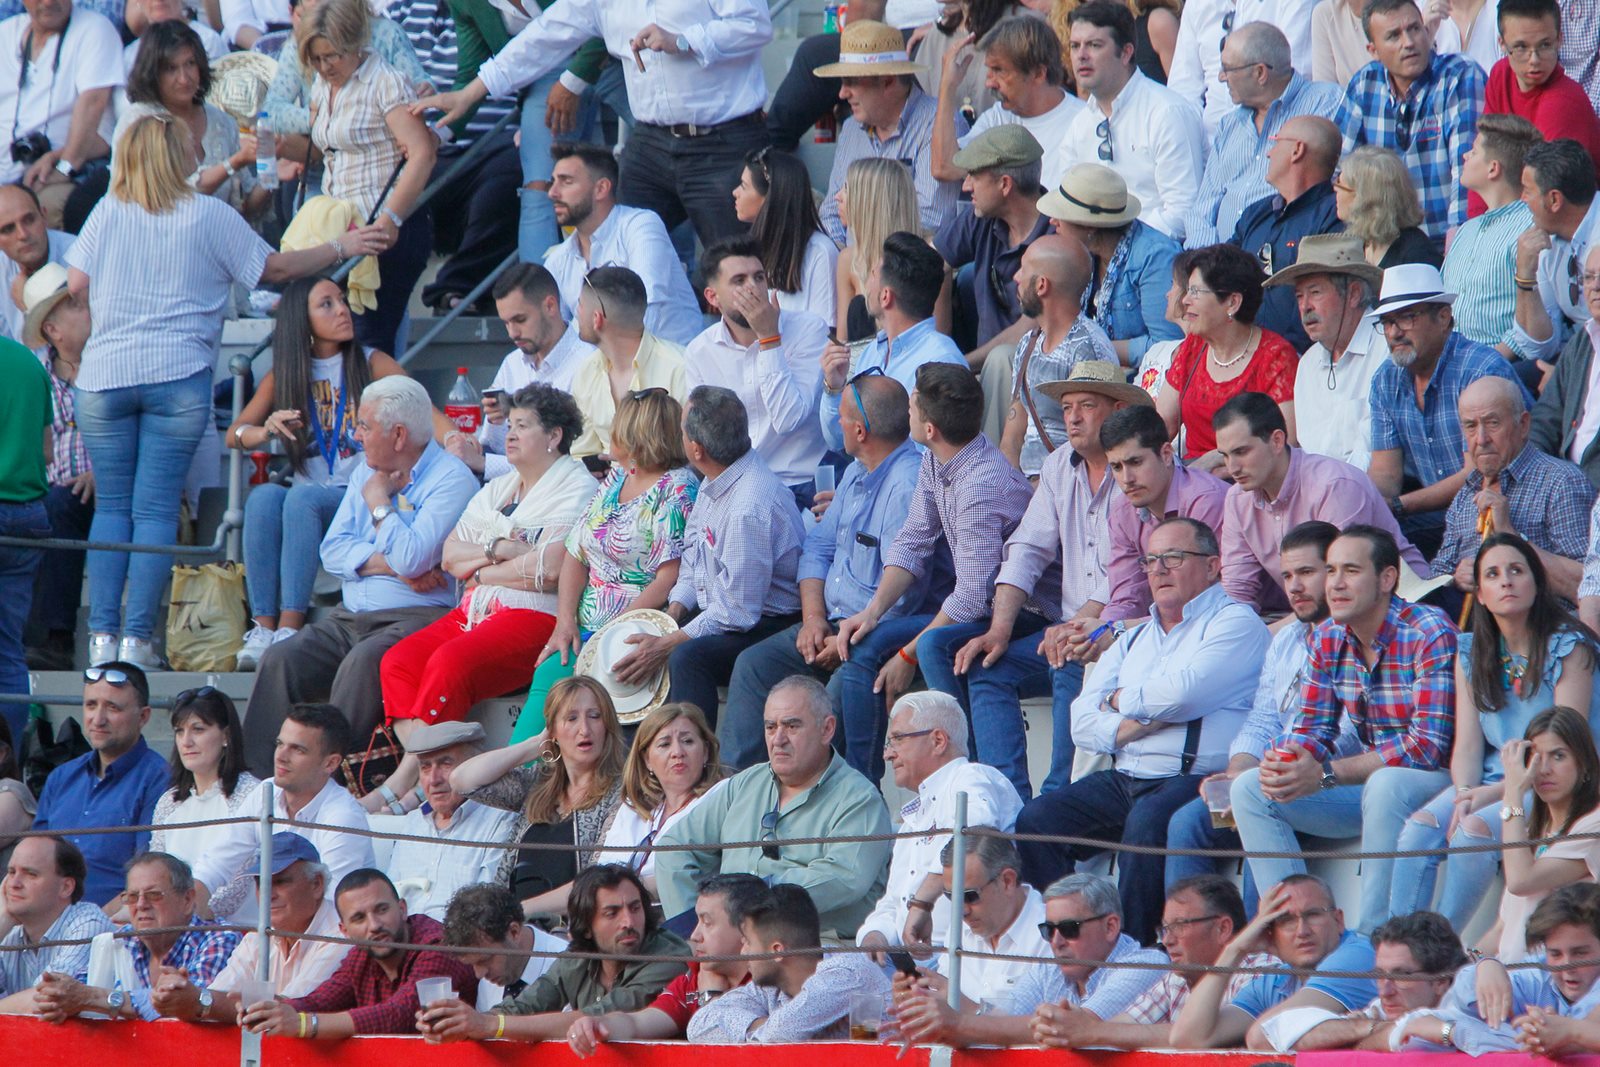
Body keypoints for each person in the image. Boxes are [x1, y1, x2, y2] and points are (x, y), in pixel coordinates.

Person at [68, 113, 381, 671]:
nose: (198, 148)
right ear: (172, 156)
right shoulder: (207, 214)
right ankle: (137, 644)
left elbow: (75, 284)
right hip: (176, 372)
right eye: (190, 144)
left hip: (103, 375)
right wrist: (343, 245)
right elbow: (277, 269)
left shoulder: (107, 212)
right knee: (156, 509)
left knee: (114, 508)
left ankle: (100, 642)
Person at [1014, 517, 1269, 943]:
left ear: (1212, 566)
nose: (1159, 570)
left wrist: (1118, 700)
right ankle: (1078, 937)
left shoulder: (1236, 623)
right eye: (1151, 560)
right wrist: (1131, 727)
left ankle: (1137, 950)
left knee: (1146, 824)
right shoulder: (1134, 638)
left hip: (1196, 778)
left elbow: (1185, 694)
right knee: (1036, 820)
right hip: (1127, 775)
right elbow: (1082, 721)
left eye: (1174, 557)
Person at [243, 376, 479, 770]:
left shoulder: (452, 480)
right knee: (280, 658)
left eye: (365, 426)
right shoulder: (365, 471)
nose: (356, 435)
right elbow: (332, 551)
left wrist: (377, 502)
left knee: (362, 663)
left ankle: (323, 783)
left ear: (399, 435)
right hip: (348, 617)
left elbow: (412, 558)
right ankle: (254, 781)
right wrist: (395, 566)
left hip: (417, 618)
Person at [1231, 526, 1457, 935]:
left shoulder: (1428, 630)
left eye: (1350, 570)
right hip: (1369, 790)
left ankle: (1377, 941)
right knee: (1249, 788)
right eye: (1331, 569)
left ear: (1387, 579)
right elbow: (1311, 728)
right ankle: (1294, 934)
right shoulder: (1330, 636)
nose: (1334, 583)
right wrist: (1286, 763)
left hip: (1441, 784)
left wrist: (1326, 774)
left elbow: (1427, 747)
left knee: (1387, 783)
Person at [373, 383, 593, 794]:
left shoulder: (577, 488)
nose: (508, 434)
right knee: (397, 663)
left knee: (449, 663)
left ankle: (409, 781)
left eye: (522, 426)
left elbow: (550, 569)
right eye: (508, 425)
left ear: (555, 436)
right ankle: (436, 764)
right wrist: (501, 550)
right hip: (476, 612)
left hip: (534, 615)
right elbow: (450, 557)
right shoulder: (498, 488)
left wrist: (482, 571)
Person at [413, 0, 771, 251]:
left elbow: (754, 26)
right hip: (651, 145)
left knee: (738, 269)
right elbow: (544, 36)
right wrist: (471, 93)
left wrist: (684, 40)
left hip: (724, 141)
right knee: (618, 265)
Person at [943, 361, 1141, 797]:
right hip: (1069, 631)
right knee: (988, 664)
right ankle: (1006, 800)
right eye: (1067, 406)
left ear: (1118, 408)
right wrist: (999, 630)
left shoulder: (1134, 468)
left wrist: (1075, 626)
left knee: (1068, 654)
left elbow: (1130, 574)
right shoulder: (1057, 467)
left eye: (1087, 405)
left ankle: (1058, 800)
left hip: (1123, 633)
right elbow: (1026, 550)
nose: (1072, 417)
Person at [721, 374, 933, 776]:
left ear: (860, 430)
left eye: (842, 417)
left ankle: (817, 807)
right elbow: (816, 549)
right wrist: (814, 618)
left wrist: (843, 638)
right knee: (752, 665)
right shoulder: (856, 471)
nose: (836, 424)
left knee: (831, 703)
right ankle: (738, 791)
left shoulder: (906, 484)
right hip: (831, 623)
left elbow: (904, 597)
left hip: (877, 634)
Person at [1412, 535, 1600, 933]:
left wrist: (1493, 795)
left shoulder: (1571, 647)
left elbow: (1562, 752)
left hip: (1554, 782)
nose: (1507, 581)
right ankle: (1397, 938)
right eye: (1493, 575)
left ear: (1537, 582)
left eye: (1517, 571)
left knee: (1473, 831)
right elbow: (1466, 745)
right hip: (1499, 781)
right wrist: (1465, 791)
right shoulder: (1471, 651)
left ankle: (1441, 947)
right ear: (1479, 594)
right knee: (1422, 826)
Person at [229, 276, 411, 669]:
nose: (342, 309)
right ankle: (263, 627)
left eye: (342, 301)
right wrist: (265, 429)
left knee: (301, 496)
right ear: (302, 319)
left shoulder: (372, 362)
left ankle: (290, 627)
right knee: (263, 497)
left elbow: (418, 408)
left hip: (359, 493)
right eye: (326, 304)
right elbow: (235, 434)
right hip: (311, 496)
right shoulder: (286, 373)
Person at [835, 362, 1038, 713]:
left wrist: (906, 654)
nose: (905, 411)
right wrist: (872, 611)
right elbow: (913, 542)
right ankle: (861, 769)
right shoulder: (936, 458)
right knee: (866, 639)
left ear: (929, 429)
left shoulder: (978, 486)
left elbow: (973, 598)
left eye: (911, 406)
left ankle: (962, 753)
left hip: (1028, 609)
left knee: (932, 647)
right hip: (984, 604)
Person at [1165, 521, 1344, 896]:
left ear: (1336, 573)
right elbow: (1262, 717)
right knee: (1186, 822)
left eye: (1306, 573)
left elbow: (1353, 738)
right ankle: (1196, 943)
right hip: (1274, 777)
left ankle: (1264, 948)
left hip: (1333, 780)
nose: (1293, 587)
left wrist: (1269, 774)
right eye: (1287, 575)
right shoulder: (1287, 639)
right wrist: (1238, 768)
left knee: (1256, 802)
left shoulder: (1353, 639)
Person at [609, 386, 805, 726]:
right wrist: (672, 613)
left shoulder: (747, 506)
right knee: (638, 648)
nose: (679, 436)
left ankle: (694, 759)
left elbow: (739, 612)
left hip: (768, 622)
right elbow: (693, 556)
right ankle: (641, 759)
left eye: (682, 431)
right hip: (726, 607)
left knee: (685, 656)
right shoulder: (718, 476)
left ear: (696, 450)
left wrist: (668, 641)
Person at [656, 676, 893, 940]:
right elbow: (674, 848)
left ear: (827, 729)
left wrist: (751, 900)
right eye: (770, 727)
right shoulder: (744, 783)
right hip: (732, 947)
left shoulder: (860, 799)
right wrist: (700, 933)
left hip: (814, 949)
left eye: (792, 726)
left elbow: (844, 879)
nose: (778, 739)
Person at [522, 389, 694, 743]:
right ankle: (522, 779)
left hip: (629, 632)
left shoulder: (677, 488)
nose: (608, 434)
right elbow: (576, 551)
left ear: (637, 435)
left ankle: (525, 779)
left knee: (557, 680)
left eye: (617, 426)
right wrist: (565, 621)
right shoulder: (618, 477)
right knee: (550, 670)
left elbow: (668, 579)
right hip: (585, 627)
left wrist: (606, 636)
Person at [299, 0, 437, 355]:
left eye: (332, 56)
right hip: (342, 225)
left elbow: (423, 152)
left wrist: (391, 219)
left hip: (384, 226)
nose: (325, 66)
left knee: (367, 341)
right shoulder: (321, 83)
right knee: (335, 342)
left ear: (355, 42)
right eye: (316, 58)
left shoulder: (385, 82)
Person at [1366, 263, 1532, 558]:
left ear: (1443, 317)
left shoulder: (1480, 369)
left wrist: (1400, 507)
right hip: (1438, 515)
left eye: (1406, 317)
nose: (1394, 332)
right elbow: (1384, 474)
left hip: (1501, 507)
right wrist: (1368, 507)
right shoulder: (1385, 380)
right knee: (1362, 541)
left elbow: (1476, 474)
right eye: (1387, 322)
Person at [420, 864, 687, 1042]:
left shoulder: (669, 957)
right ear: (586, 925)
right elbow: (527, 1006)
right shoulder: (582, 956)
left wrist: (488, 1025)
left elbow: (595, 1018)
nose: (628, 921)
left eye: (635, 907)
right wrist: (461, 1024)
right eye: (612, 913)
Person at [896, 872, 1166, 1047]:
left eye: (1070, 929)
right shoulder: (1051, 969)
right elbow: (1002, 1023)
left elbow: (1074, 1028)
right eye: (1048, 930)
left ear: (1110, 927)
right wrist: (930, 1009)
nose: (1056, 941)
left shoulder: (1144, 966)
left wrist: (954, 1022)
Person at [1214, 392, 1427, 613]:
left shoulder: (1334, 485)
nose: (1232, 468)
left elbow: (1341, 589)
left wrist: (1267, 637)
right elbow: (1237, 592)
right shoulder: (1237, 499)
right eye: (1226, 456)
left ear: (1277, 440)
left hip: (1399, 610)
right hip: (1316, 617)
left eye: (1241, 452)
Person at [857, 691, 1024, 959]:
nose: (887, 754)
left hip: (959, 960)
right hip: (903, 963)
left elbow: (972, 837)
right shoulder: (914, 815)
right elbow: (893, 902)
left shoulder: (970, 776)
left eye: (898, 739)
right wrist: (874, 936)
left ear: (938, 740)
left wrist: (922, 902)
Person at [382, 0, 520, 315]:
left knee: (515, 166)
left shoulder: (507, 11)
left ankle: (457, 287)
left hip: (493, 151)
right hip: (418, 154)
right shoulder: (397, 13)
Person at [449, 676, 626, 917]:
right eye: (571, 718)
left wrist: (515, 912)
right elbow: (462, 780)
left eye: (594, 716)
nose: (584, 729)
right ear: (552, 730)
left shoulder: (621, 790)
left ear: (608, 725)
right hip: (516, 930)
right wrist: (535, 745)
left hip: (572, 930)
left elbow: (598, 882)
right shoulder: (538, 781)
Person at [1029, 876, 1272, 1048]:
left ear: (1222, 928)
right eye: (1164, 929)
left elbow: (1196, 1034)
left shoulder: (1259, 970)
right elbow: (1122, 1027)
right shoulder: (1174, 979)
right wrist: (1074, 1025)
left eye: (1178, 926)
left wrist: (1091, 1031)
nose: (1167, 940)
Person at [240, 869, 477, 1039]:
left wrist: (303, 1023)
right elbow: (322, 1001)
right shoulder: (361, 954)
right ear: (345, 931)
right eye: (359, 918)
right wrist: (277, 1008)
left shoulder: (437, 945)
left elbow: (401, 1015)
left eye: (382, 909)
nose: (374, 925)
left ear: (403, 909)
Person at [686, 235, 829, 508]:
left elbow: (789, 419)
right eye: (739, 281)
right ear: (712, 296)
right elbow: (702, 437)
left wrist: (768, 339)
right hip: (736, 489)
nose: (753, 288)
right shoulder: (699, 351)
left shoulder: (809, 328)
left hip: (802, 485)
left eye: (759, 277)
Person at [191, 704, 375, 911]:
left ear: (330, 763)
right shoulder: (265, 792)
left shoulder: (344, 816)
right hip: (269, 931)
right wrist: (185, 910)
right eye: (280, 744)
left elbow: (333, 907)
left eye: (298, 749)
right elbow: (216, 864)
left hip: (323, 936)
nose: (281, 756)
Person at [1185, 23, 1352, 249]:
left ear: (1260, 72)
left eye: (1228, 68)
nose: (1221, 77)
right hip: (1220, 266)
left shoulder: (1326, 102)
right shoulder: (1230, 124)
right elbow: (1203, 210)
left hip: (1288, 254)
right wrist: (1206, 267)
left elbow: (1339, 184)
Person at [151, 833, 349, 1018]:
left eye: (280, 882)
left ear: (316, 884)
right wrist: (178, 992)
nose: (268, 894)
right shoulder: (258, 937)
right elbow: (224, 991)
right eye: (261, 884)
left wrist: (198, 1001)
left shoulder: (340, 934)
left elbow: (290, 1007)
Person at [564, 872, 766, 1053]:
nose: (695, 936)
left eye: (707, 922)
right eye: (697, 922)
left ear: (746, 927)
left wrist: (710, 997)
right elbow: (638, 1022)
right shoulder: (694, 978)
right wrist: (599, 1024)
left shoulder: (775, 979)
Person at [1169, 874, 1378, 1048]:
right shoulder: (1276, 980)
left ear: (1338, 920)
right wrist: (1235, 949)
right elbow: (1187, 1038)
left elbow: (1264, 1034)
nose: (1302, 931)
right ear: (1270, 933)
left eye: (1313, 915)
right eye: (1287, 920)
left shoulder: (1358, 956)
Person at [1055, 1, 1205, 241]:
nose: (1081, 56)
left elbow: (1183, 214)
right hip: (1096, 256)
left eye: (1094, 45)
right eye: (1074, 46)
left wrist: (1120, 244)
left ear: (1126, 52)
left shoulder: (1167, 112)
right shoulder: (1079, 124)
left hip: (1158, 258)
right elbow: (1066, 202)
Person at [1431, 377, 1593, 598]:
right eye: (1471, 426)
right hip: (1478, 630)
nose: (1481, 439)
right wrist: (1456, 578)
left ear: (1523, 424)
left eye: (1492, 423)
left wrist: (1510, 533)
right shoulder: (1465, 494)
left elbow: (1588, 586)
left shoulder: (1561, 481)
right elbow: (1437, 576)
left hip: (1548, 629)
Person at [30, 852, 239, 1023]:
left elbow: (180, 1004)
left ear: (187, 899)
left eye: (153, 895)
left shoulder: (219, 938)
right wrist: (61, 1000)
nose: (140, 905)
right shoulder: (119, 941)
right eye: (131, 897)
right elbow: (79, 989)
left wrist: (90, 998)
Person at [1344, 0, 1486, 241]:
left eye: (1414, 29)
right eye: (1393, 36)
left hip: (1444, 241)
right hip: (1382, 245)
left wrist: (1459, 242)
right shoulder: (1364, 84)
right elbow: (1344, 172)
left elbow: (1466, 171)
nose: (1409, 43)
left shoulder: (1459, 75)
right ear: (1373, 50)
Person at [536, 144, 703, 347]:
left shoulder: (641, 225)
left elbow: (648, 306)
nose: (552, 193)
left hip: (672, 367)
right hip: (607, 371)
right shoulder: (557, 260)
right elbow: (557, 336)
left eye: (566, 182)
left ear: (601, 189)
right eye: (553, 182)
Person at [31, 663, 169, 905]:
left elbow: (145, 884)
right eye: (91, 705)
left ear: (143, 716)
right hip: (44, 920)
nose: (98, 719)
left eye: (113, 707)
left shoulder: (159, 779)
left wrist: (86, 933)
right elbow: (32, 863)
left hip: (111, 928)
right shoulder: (61, 777)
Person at [817, 231, 966, 453]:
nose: (866, 284)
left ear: (886, 296)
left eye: (873, 274)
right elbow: (838, 442)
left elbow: (935, 462)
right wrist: (834, 388)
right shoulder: (872, 353)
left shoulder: (942, 361)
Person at [814, 20, 960, 246]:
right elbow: (831, 212)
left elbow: (932, 223)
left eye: (851, 81)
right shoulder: (852, 128)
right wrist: (847, 260)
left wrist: (862, 241)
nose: (842, 93)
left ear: (889, 81)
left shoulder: (938, 122)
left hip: (907, 272)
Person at [688, 883, 891, 1042]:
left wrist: (763, 1029)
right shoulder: (769, 989)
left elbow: (778, 1036)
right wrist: (757, 1026)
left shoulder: (849, 975)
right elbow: (698, 1026)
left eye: (748, 942)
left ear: (777, 951)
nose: (743, 952)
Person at [1156, 244, 1298, 470]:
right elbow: (1162, 424)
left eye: (1195, 292)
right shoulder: (1194, 346)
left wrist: (1214, 460)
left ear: (1232, 302)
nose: (1184, 300)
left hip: (1250, 487)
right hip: (1194, 483)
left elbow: (1285, 444)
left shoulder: (1275, 357)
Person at [1095, 404, 1229, 638]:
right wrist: (1098, 633)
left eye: (1135, 462)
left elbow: (1205, 603)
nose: (1127, 479)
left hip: (1231, 623)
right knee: (1074, 657)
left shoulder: (1207, 501)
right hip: (1164, 629)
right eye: (1116, 467)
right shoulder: (1122, 511)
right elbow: (1127, 596)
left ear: (1166, 455)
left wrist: (1118, 630)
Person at [1419, 883, 1600, 1055]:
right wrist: (1486, 967)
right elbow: (1463, 1003)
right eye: (1555, 954)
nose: (1567, 966)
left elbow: (1580, 1034)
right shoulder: (1539, 974)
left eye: (1580, 953)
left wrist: (1453, 1033)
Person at [1040, 162, 1182, 373]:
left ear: (1089, 225)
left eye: (1062, 215)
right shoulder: (1079, 254)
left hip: (1140, 382)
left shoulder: (1155, 256)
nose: (1052, 221)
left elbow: (1168, 346)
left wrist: (1090, 349)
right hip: (1091, 374)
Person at [1263, 234, 1388, 469]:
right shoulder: (1308, 363)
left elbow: (1372, 457)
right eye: (1299, 296)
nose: (1305, 306)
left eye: (1315, 292)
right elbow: (1303, 451)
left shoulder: (1386, 346)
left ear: (1353, 294)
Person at [934, 125, 1053, 368]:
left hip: (1032, 375)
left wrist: (958, 365)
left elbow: (1027, 330)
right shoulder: (980, 217)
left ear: (1005, 184)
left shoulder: (1055, 236)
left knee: (1002, 359)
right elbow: (932, 263)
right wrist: (940, 345)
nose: (966, 186)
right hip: (981, 370)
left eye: (974, 176)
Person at [1264, 911, 1465, 1051]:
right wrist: (1367, 1027)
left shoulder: (1468, 1007)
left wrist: (1355, 1035)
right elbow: (1277, 1030)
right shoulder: (1385, 1012)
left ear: (1440, 982)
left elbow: (1409, 1039)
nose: (1385, 991)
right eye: (1379, 975)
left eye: (1401, 976)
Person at [0, 0, 122, 230]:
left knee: (41, 214)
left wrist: (65, 164)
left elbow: (93, 103)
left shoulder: (95, 29)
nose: (48, 2)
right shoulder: (6, 33)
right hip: (7, 169)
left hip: (62, 172)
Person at [1002, 234, 1116, 477]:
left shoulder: (1087, 347)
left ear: (1041, 285)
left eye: (1023, 269)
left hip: (1067, 488)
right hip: (1024, 487)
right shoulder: (1028, 343)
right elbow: (1014, 430)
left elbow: (1096, 446)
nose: (1016, 278)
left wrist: (1043, 496)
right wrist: (1010, 489)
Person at [1491, 706, 1600, 961]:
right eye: (1535, 758)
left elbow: (1521, 881)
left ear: (1584, 764)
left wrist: (1513, 793)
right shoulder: (1530, 834)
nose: (1543, 769)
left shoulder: (1594, 827)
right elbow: (1501, 930)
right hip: (1510, 975)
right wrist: (1471, 960)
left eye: (1558, 756)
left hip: (1555, 981)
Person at [381, 722, 522, 919]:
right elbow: (390, 897)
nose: (433, 779)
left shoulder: (500, 818)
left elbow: (487, 906)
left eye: (446, 764)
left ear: (474, 767)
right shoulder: (413, 822)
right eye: (425, 767)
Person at [121, 21, 265, 213]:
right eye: (171, 68)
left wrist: (273, 172)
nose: (184, 78)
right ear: (153, 72)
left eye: (190, 64)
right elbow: (171, 198)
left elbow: (246, 207)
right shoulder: (138, 121)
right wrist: (233, 163)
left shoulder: (222, 121)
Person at [1230, 115, 1344, 351]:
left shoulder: (1334, 213)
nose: (1269, 153)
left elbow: (1323, 293)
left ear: (1297, 150)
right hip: (1241, 357)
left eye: (1275, 142)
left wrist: (1279, 357)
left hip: (1301, 361)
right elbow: (1222, 272)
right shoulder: (1255, 213)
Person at [147, 687, 262, 924]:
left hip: (234, 935)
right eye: (180, 731)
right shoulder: (168, 802)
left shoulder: (253, 794)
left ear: (226, 736)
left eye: (198, 729)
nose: (186, 741)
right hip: (174, 926)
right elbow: (155, 874)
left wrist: (182, 917)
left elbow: (238, 888)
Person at [931, 15, 1080, 187]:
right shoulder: (997, 117)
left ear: (1038, 74)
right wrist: (947, 87)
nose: (989, 83)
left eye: (999, 70)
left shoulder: (1082, 123)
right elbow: (945, 168)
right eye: (990, 70)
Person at [1443, 114, 1542, 366]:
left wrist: (1485, 363)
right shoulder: (1466, 230)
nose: (1465, 156)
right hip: (1448, 364)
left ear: (1493, 168)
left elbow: (1536, 320)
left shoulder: (1530, 227)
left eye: (1474, 152)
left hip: (1501, 369)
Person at [595, 703, 725, 891]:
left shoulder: (720, 797)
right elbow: (593, 882)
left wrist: (615, 890)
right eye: (665, 744)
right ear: (647, 760)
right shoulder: (633, 807)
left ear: (705, 752)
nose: (677, 752)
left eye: (687, 741)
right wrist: (535, 906)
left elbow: (684, 878)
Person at [567, 265, 689, 461]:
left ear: (597, 319)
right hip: (604, 489)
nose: (576, 313)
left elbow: (694, 454)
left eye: (580, 305)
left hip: (670, 487)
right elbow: (582, 453)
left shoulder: (680, 367)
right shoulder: (586, 371)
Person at [478, 265, 592, 468]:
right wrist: (497, 422)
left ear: (550, 306)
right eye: (506, 323)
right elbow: (493, 447)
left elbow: (574, 465)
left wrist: (484, 465)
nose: (512, 333)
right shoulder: (512, 364)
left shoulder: (589, 363)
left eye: (520, 320)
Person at [1482, 0, 1600, 190]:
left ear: (1560, 39)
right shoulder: (1500, 76)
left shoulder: (1564, 102)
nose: (1534, 59)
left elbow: (1543, 195)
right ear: (1502, 44)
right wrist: (1476, 220)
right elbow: (1485, 157)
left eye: (1545, 45)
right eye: (1521, 47)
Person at [1167, 1, 1321, 135]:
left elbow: (1291, 88)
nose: (1222, 77)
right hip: (1210, 150)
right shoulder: (1198, 5)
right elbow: (1183, 95)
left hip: (1272, 142)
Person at [1512, 139, 1600, 367]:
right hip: (1577, 357)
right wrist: (1525, 277)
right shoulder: (1545, 244)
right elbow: (1538, 347)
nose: (1522, 199)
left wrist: (1569, 380)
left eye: (1527, 191)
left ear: (1553, 200)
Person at [0, 836, 113, 1011]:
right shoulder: (10, 933)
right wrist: (3, 920)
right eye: (12, 872)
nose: (14, 883)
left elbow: (49, 997)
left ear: (66, 887)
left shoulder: (89, 923)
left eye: (31, 874)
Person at [733, 147, 837, 328]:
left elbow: (825, 334)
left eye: (743, 186)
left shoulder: (820, 252)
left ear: (771, 198)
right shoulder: (749, 249)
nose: (735, 192)